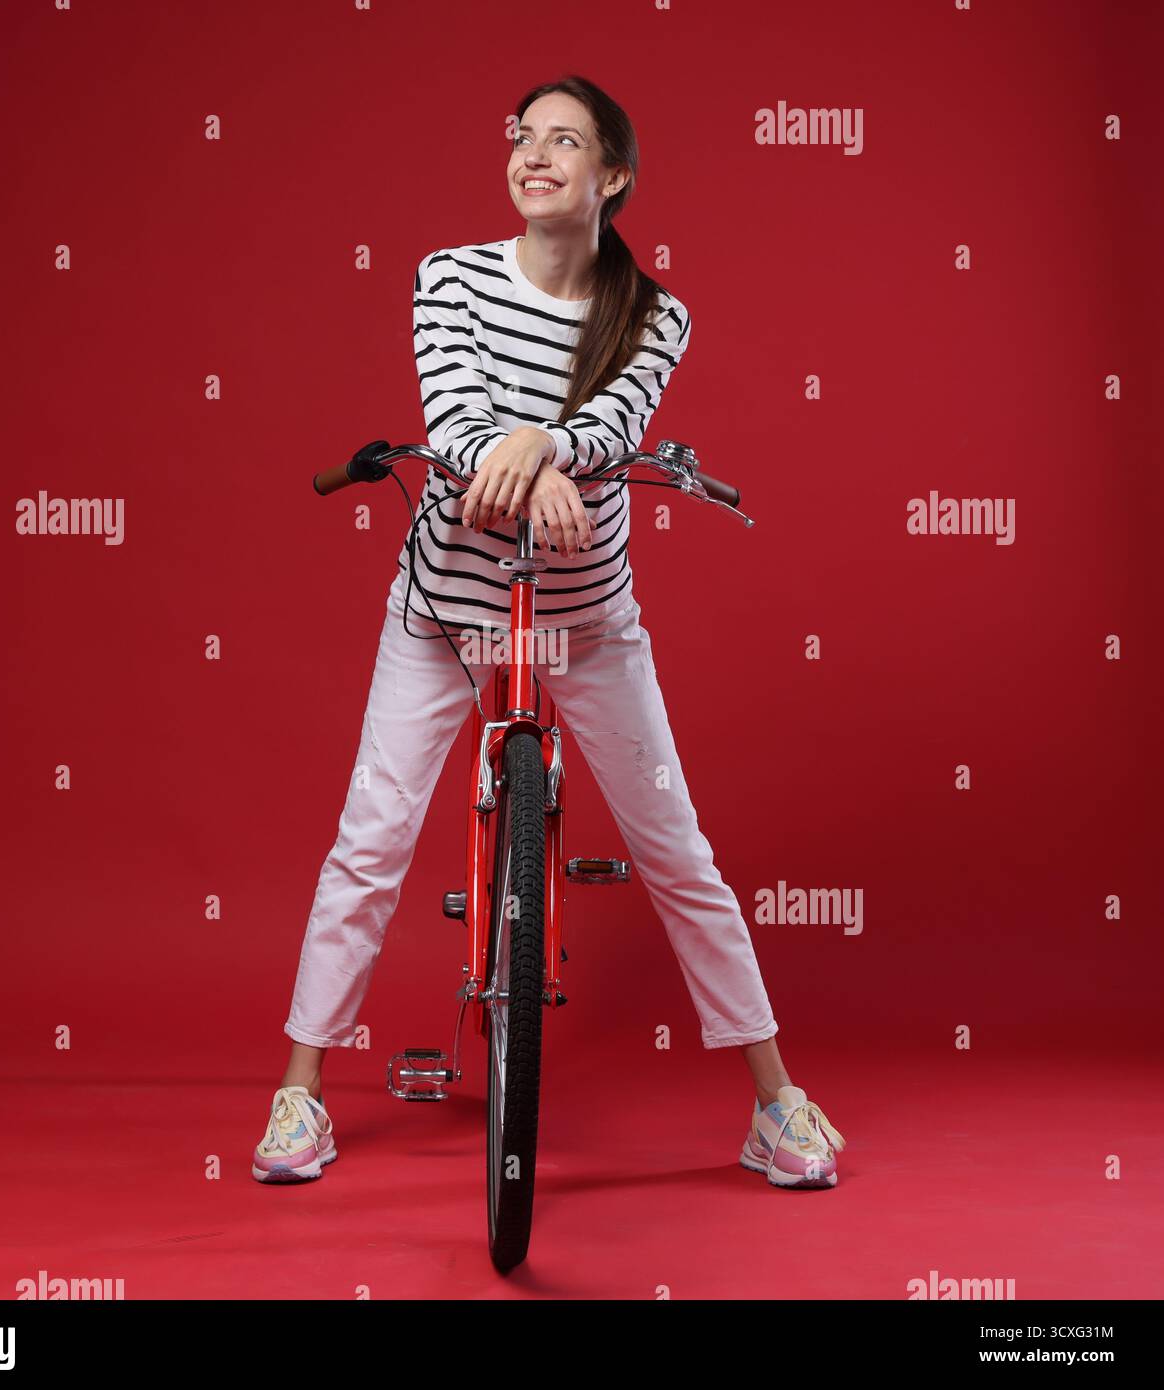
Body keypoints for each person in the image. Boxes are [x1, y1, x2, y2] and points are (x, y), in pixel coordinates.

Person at [253, 75, 846, 1192]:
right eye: (523, 136)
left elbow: (617, 423)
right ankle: (300, 1090)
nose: (533, 154)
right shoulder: (449, 277)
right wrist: (533, 456)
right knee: (370, 843)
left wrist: (539, 446)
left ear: (610, 175)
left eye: (563, 141)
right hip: (445, 609)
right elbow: (453, 416)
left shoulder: (654, 315)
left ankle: (776, 1103)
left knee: (677, 851)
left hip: (585, 619)